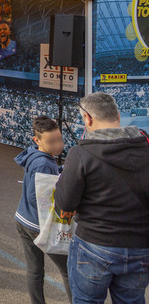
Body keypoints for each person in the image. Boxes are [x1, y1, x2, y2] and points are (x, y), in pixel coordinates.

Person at [54, 92, 149, 303]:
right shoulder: (145, 147)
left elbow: (65, 204)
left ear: (87, 118)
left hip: (94, 245)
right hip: (141, 246)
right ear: (118, 115)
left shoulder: (80, 154)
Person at [14, 116, 71, 303]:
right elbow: (35, 196)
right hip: (39, 226)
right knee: (68, 270)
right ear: (36, 140)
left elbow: (45, 179)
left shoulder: (35, 154)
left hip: (23, 220)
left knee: (35, 270)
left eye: (59, 139)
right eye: (52, 141)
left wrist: (61, 169)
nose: (58, 145)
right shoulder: (44, 163)